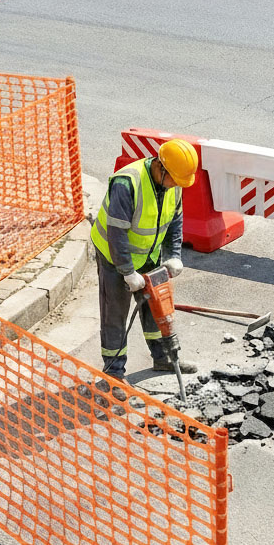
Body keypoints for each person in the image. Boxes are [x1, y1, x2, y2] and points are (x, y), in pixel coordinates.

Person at [91, 139, 200, 380]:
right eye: (175, 181)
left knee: (157, 308)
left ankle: (164, 359)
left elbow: (175, 221)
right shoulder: (127, 183)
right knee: (115, 315)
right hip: (113, 256)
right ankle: (114, 374)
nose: (176, 187)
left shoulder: (175, 182)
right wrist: (127, 272)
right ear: (161, 168)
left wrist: (173, 256)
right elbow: (116, 234)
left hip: (149, 255)